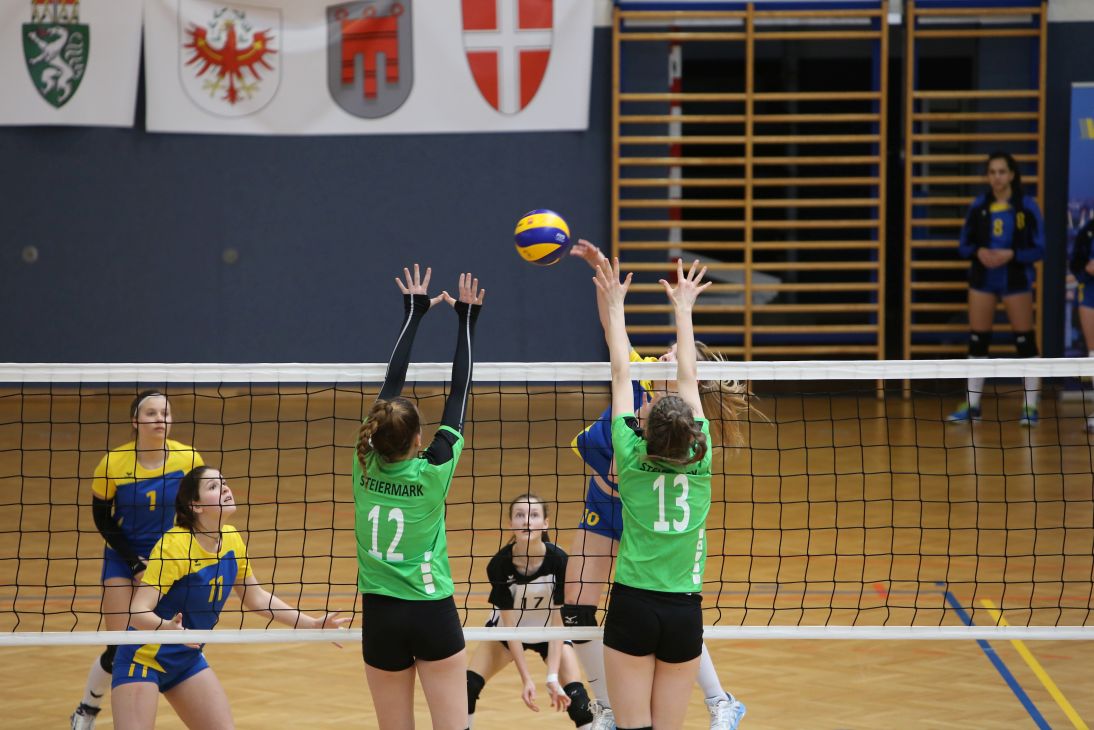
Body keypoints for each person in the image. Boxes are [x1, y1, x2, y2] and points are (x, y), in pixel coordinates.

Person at [563, 240, 747, 730]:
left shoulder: (670, 426)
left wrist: (621, 300)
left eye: (674, 352)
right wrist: (602, 274)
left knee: (654, 606)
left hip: (641, 518)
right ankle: (607, 707)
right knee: (577, 606)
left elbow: (621, 360)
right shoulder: (673, 413)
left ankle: (719, 698)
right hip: (614, 507)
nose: (667, 352)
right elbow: (615, 337)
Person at [110, 465, 348, 729]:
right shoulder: (174, 546)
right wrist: (167, 629)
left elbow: (257, 599)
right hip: (143, 659)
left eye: (223, 482)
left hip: (187, 659)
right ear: (195, 506)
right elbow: (138, 611)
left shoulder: (232, 540)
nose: (224, 488)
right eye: (213, 486)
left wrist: (312, 624)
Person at [355, 265, 484, 730]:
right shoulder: (435, 469)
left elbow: (390, 385)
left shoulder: (363, 461)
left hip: (380, 615)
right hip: (431, 610)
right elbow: (459, 393)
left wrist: (413, 311)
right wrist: (467, 318)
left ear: (375, 432)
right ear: (418, 440)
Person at [594, 256, 714, 730]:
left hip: (633, 605)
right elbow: (688, 378)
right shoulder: (702, 456)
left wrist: (616, 305)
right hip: (684, 609)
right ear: (690, 430)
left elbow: (621, 374)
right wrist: (684, 308)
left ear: (645, 428)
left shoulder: (628, 453)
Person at [71, 391, 204, 730]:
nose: (160, 419)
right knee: (121, 648)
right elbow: (102, 518)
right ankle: (87, 708)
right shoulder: (113, 463)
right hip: (123, 556)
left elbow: (196, 511)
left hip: (168, 559)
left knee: (173, 640)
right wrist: (133, 562)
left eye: (165, 413)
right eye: (151, 413)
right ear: (136, 421)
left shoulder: (188, 458)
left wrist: (180, 554)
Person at [467, 493, 593, 729]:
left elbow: (558, 623)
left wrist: (552, 677)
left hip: (550, 633)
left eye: (534, 515)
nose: (526, 520)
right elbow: (510, 628)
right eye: (520, 515)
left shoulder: (560, 561)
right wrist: (526, 679)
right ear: (510, 523)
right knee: (467, 688)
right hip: (509, 633)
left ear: (545, 523)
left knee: (579, 703)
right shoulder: (499, 565)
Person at [948, 151, 1045, 426]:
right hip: (983, 279)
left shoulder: (1027, 206)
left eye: (1002, 172)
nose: (997, 177)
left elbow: (1040, 248)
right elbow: (963, 246)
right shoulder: (979, 206)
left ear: (1012, 174)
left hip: (1015, 279)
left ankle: (1030, 406)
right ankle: (972, 405)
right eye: (992, 172)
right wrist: (979, 251)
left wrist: (1012, 254)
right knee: (978, 340)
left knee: (1025, 341)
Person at [1068, 215, 1094, 432]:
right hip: (1090, 291)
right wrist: (1087, 269)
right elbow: (1075, 263)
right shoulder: (1088, 230)